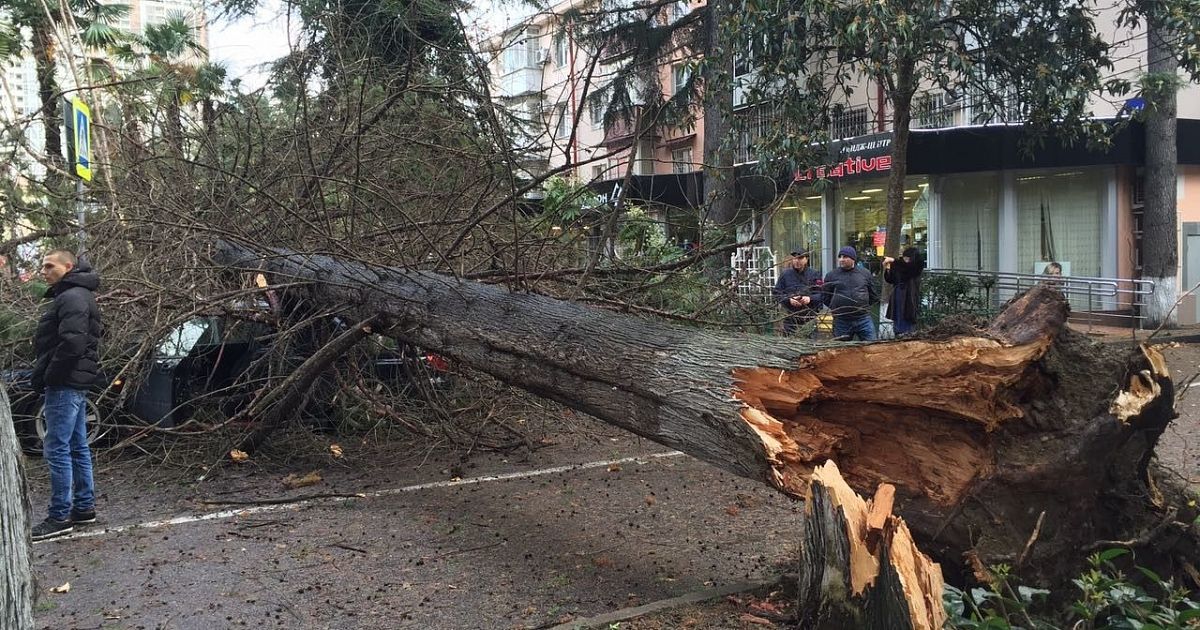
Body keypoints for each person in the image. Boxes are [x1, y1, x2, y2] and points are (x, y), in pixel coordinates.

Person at [30, 250, 103, 541]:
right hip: (74, 380)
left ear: (68, 267)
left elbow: (72, 343)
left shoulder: (72, 296)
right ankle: (84, 508)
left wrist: (51, 376)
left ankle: (59, 515)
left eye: (50, 266)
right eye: (42, 266)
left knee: (56, 447)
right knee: (76, 445)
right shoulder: (76, 294)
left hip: (65, 381)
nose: (43, 271)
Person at [821, 246, 880, 341]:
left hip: (863, 319)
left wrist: (863, 307)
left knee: (872, 347)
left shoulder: (865, 273)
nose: (841, 259)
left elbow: (873, 294)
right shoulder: (831, 275)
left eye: (845, 257)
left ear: (853, 259)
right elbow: (825, 296)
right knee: (841, 350)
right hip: (841, 321)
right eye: (840, 257)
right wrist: (836, 308)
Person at [772, 250, 822, 337]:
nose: (797, 261)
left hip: (809, 317)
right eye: (795, 258)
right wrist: (789, 300)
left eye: (800, 258)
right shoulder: (785, 274)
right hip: (790, 317)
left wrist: (810, 298)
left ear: (806, 259)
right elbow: (777, 293)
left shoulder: (815, 274)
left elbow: (822, 294)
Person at [883, 247, 925, 335]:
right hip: (897, 299)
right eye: (904, 258)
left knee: (907, 327)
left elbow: (909, 269)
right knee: (898, 325)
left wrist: (894, 261)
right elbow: (890, 279)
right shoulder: (901, 266)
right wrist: (888, 269)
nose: (905, 260)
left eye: (907, 258)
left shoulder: (917, 266)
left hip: (909, 300)